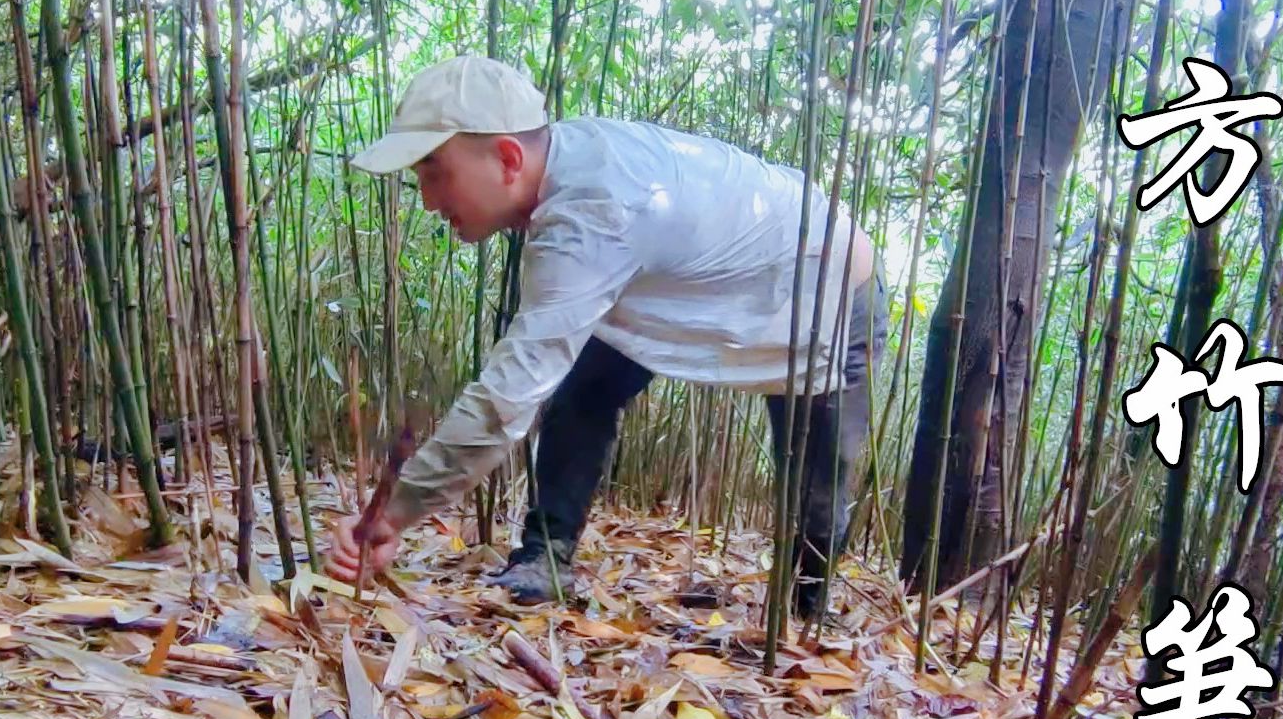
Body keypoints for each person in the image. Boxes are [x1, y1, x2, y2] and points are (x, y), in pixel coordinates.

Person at [324, 55, 887, 621]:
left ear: (508, 157)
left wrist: (390, 514)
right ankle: (546, 558)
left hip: (827, 292)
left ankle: (806, 612)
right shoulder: (569, 172)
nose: (426, 199)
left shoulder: (594, 215)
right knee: (585, 385)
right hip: (691, 283)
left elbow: (503, 403)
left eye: (434, 172)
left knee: (816, 484)